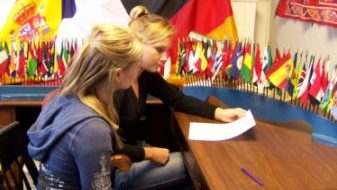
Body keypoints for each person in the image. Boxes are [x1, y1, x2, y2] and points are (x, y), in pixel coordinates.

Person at [113, 5, 247, 190]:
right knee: (198, 165)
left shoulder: (144, 74)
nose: (166, 57)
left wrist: (220, 113)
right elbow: (105, 147)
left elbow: (177, 100)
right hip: (120, 169)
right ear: (136, 44)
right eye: (159, 50)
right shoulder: (116, 84)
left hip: (136, 151)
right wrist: (149, 153)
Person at [27, 24, 143, 190]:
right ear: (117, 74)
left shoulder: (63, 99)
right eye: (137, 67)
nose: (138, 72)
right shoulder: (92, 130)